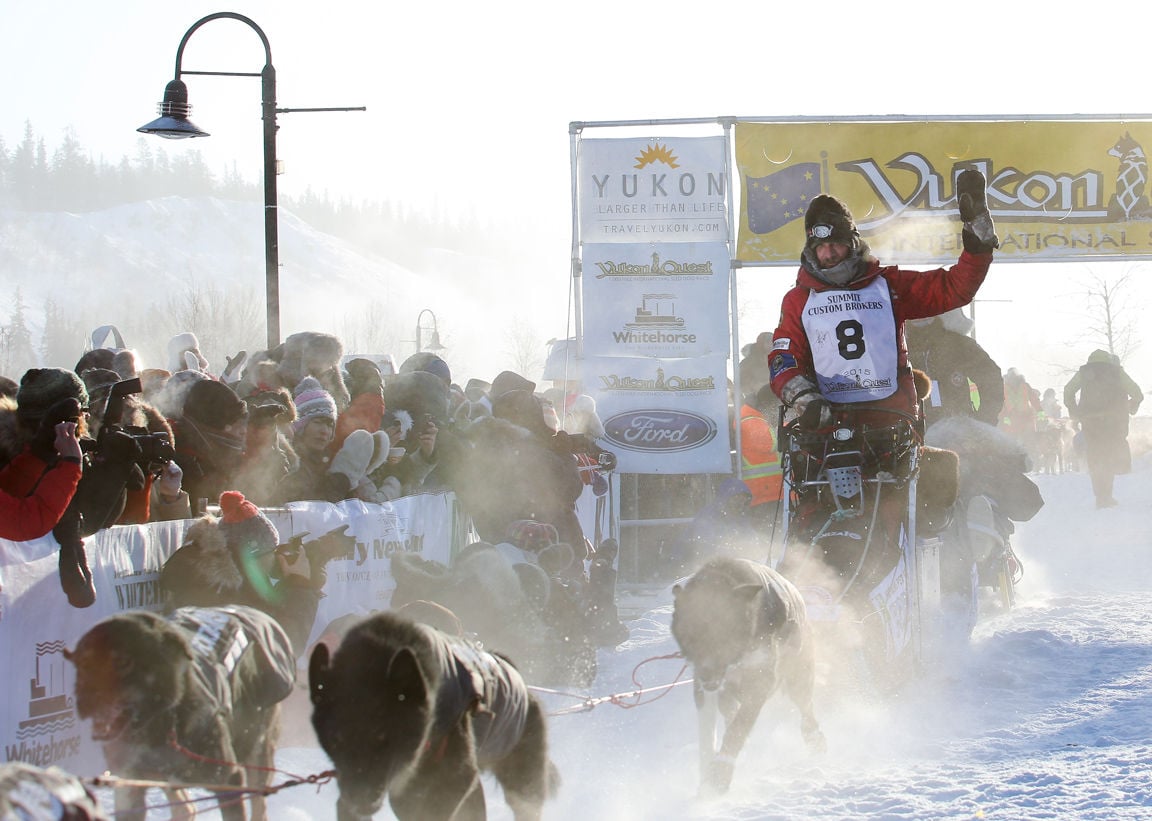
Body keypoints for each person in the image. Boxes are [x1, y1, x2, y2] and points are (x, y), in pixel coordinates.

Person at [766, 172, 997, 432]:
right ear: (810, 249)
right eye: (820, 246)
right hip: (827, 425)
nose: (828, 253)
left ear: (852, 243)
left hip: (892, 421)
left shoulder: (888, 285)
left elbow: (955, 288)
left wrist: (978, 233)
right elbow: (783, 358)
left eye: (835, 244)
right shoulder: (799, 300)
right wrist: (804, 399)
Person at [1063, 350, 1144, 508]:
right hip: (1114, 422)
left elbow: (1068, 391)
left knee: (1095, 456)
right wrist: (1132, 407)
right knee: (1111, 454)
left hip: (1091, 422)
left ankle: (1101, 497)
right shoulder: (1117, 372)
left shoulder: (1084, 373)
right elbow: (1137, 393)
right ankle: (1114, 482)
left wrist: (1074, 411)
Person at [905, 308, 1004, 428]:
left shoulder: (959, 345)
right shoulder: (897, 348)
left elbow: (991, 378)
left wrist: (985, 420)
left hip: (957, 431)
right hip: (913, 431)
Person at [170, 378, 249, 514]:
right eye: (232, 422)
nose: (243, 430)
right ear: (211, 425)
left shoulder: (219, 456)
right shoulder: (181, 459)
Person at [738, 384, 784, 531]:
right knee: (772, 540)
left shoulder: (755, 418)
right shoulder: (749, 419)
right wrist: (789, 425)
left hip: (772, 493)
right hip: (764, 496)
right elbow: (769, 444)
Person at [1000, 367, 1042, 463]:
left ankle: (1034, 462)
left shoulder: (1025, 386)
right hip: (1012, 419)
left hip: (1027, 417)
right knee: (1011, 442)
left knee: (1030, 440)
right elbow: (1001, 405)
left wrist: (1040, 412)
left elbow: (1034, 400)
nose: (1013, 379)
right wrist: (1004, 418)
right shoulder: (1003, 388)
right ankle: (1014, 461)